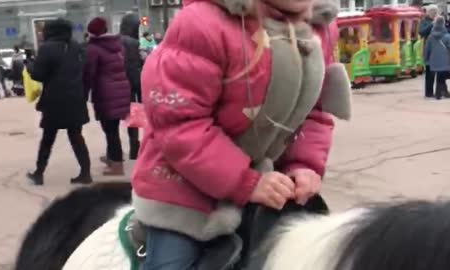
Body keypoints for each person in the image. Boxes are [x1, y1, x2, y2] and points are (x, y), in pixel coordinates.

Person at [130, 0, 350, 268]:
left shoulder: (319, 29)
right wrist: (245, 181)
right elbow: (180, 124)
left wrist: (305, 165)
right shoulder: (202, 24)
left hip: (269, 180)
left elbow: (315, 109)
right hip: (184, 186)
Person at [26, 18, 92, 186]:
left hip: (54, 100)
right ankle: (85, 173)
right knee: (76, 136)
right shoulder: (77, 47)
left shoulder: (47, 48)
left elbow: (38, 75)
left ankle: (39, 173)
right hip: (75, 98)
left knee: (48, 138)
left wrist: (30, 66)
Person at [84, 17, 132, 175]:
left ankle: (117, 165)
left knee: (110, 130)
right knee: (113, 128)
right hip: (121, 89)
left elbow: (89, 73)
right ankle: (112, 156)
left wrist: (84, 92)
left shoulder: (93, 49)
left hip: (105, 93)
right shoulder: (117, 45)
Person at [120, 13, 143, 159]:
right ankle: (134, 146)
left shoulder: (117, 40)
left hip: (117, 83)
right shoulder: (133, 43)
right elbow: (134, 66)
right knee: (134, 116)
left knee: (124, 117)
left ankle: (119, 151)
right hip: (131, 82)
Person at [424, 16, 450, 100]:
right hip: (445, 61)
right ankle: (439, 93)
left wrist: (426, 59)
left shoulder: (430, 37)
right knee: (441, 76)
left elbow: (427, 49)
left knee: (440, 76)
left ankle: (444, 92)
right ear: (443, 24)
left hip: (433, 61)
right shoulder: (447, 36)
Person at [419, 4, 438, 98]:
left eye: (435, 11)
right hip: (429, 49)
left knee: (439, 71)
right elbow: (421, 32)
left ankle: (440, 91)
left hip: (438, 48)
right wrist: (431, 25)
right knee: (429, 71)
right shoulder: (424, 21)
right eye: (432, 11)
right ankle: (429, 92)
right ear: (428, 12)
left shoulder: (439, 20)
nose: (434, 13)